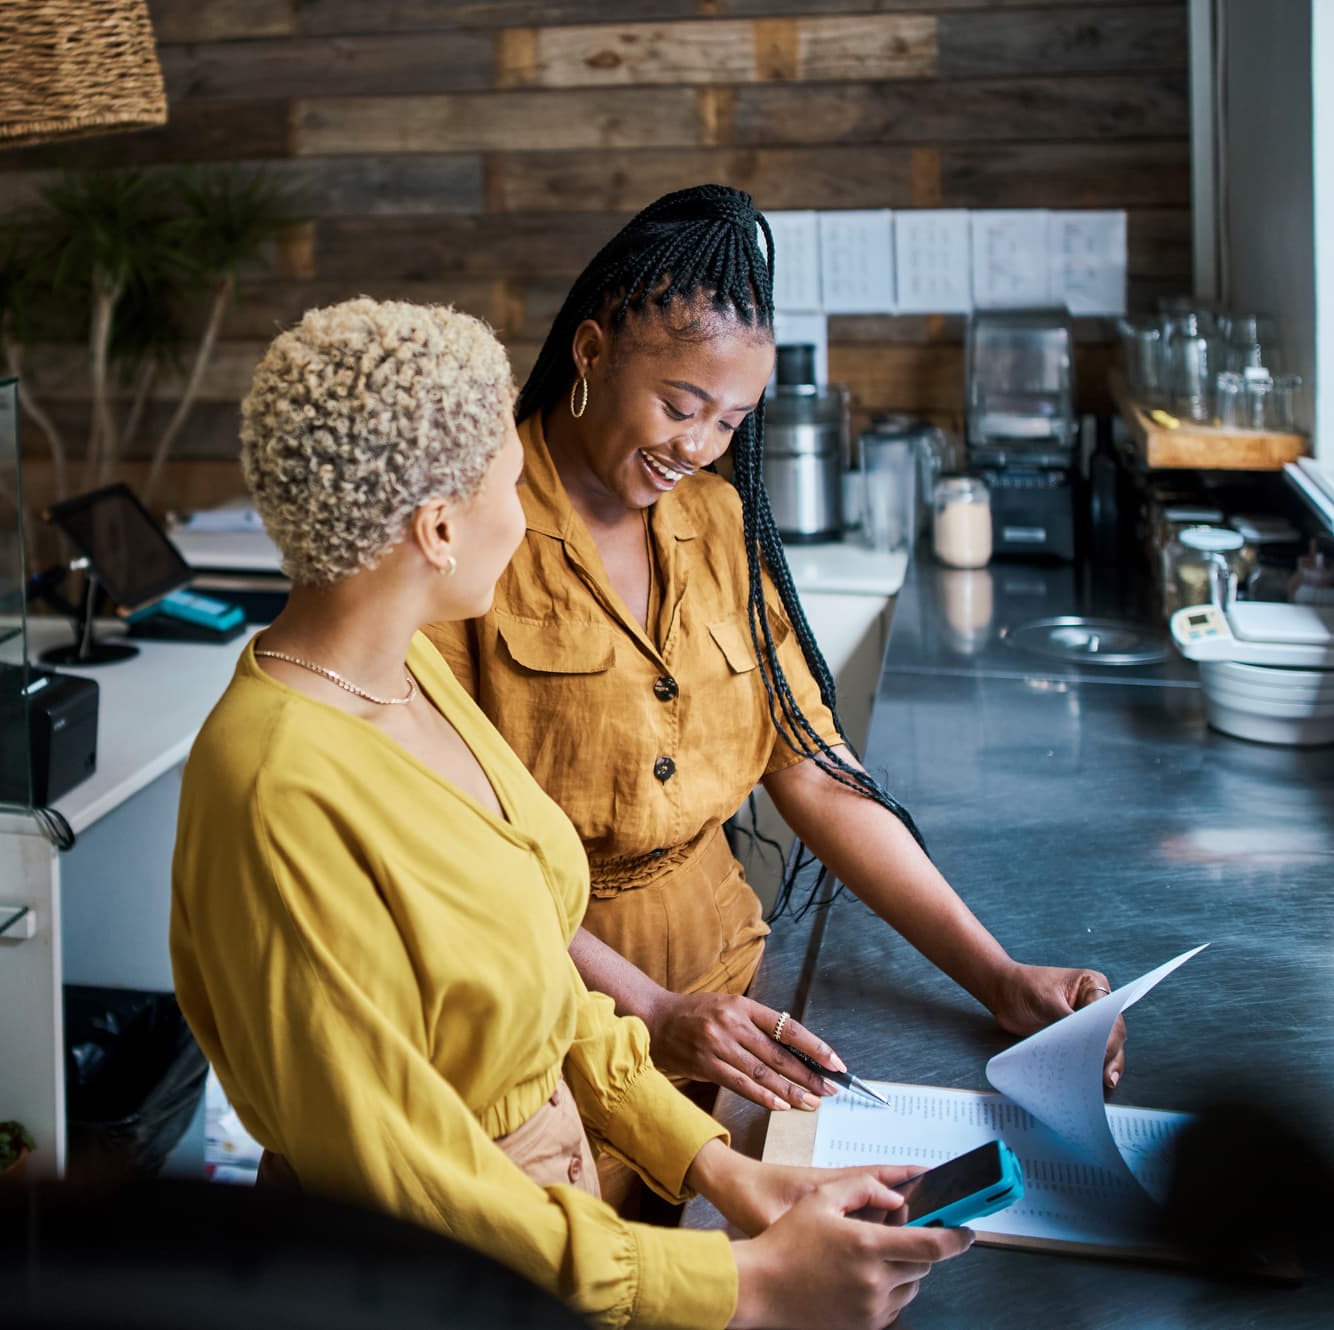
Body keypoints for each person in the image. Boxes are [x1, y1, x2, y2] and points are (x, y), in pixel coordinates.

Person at [171, 298, 971, 1330]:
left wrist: (725, 1172)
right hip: (427, 1282)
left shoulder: (402, 671)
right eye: (512, 481)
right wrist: (749, 1288)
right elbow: (413, 1186)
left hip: (543, 1240)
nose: (529, 511)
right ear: (439, 526)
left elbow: (534, 985)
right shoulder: (275, 787)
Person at [424, 186, 1126, 1138]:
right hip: (551, 1025)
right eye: (681, 405)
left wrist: (997, 976)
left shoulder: (717, 523)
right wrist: (656, 1016)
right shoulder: (470, 532)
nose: (700, 446)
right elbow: (453, 855)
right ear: (591, 353)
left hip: (730, 997)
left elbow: (815, 768)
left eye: (731, 421)